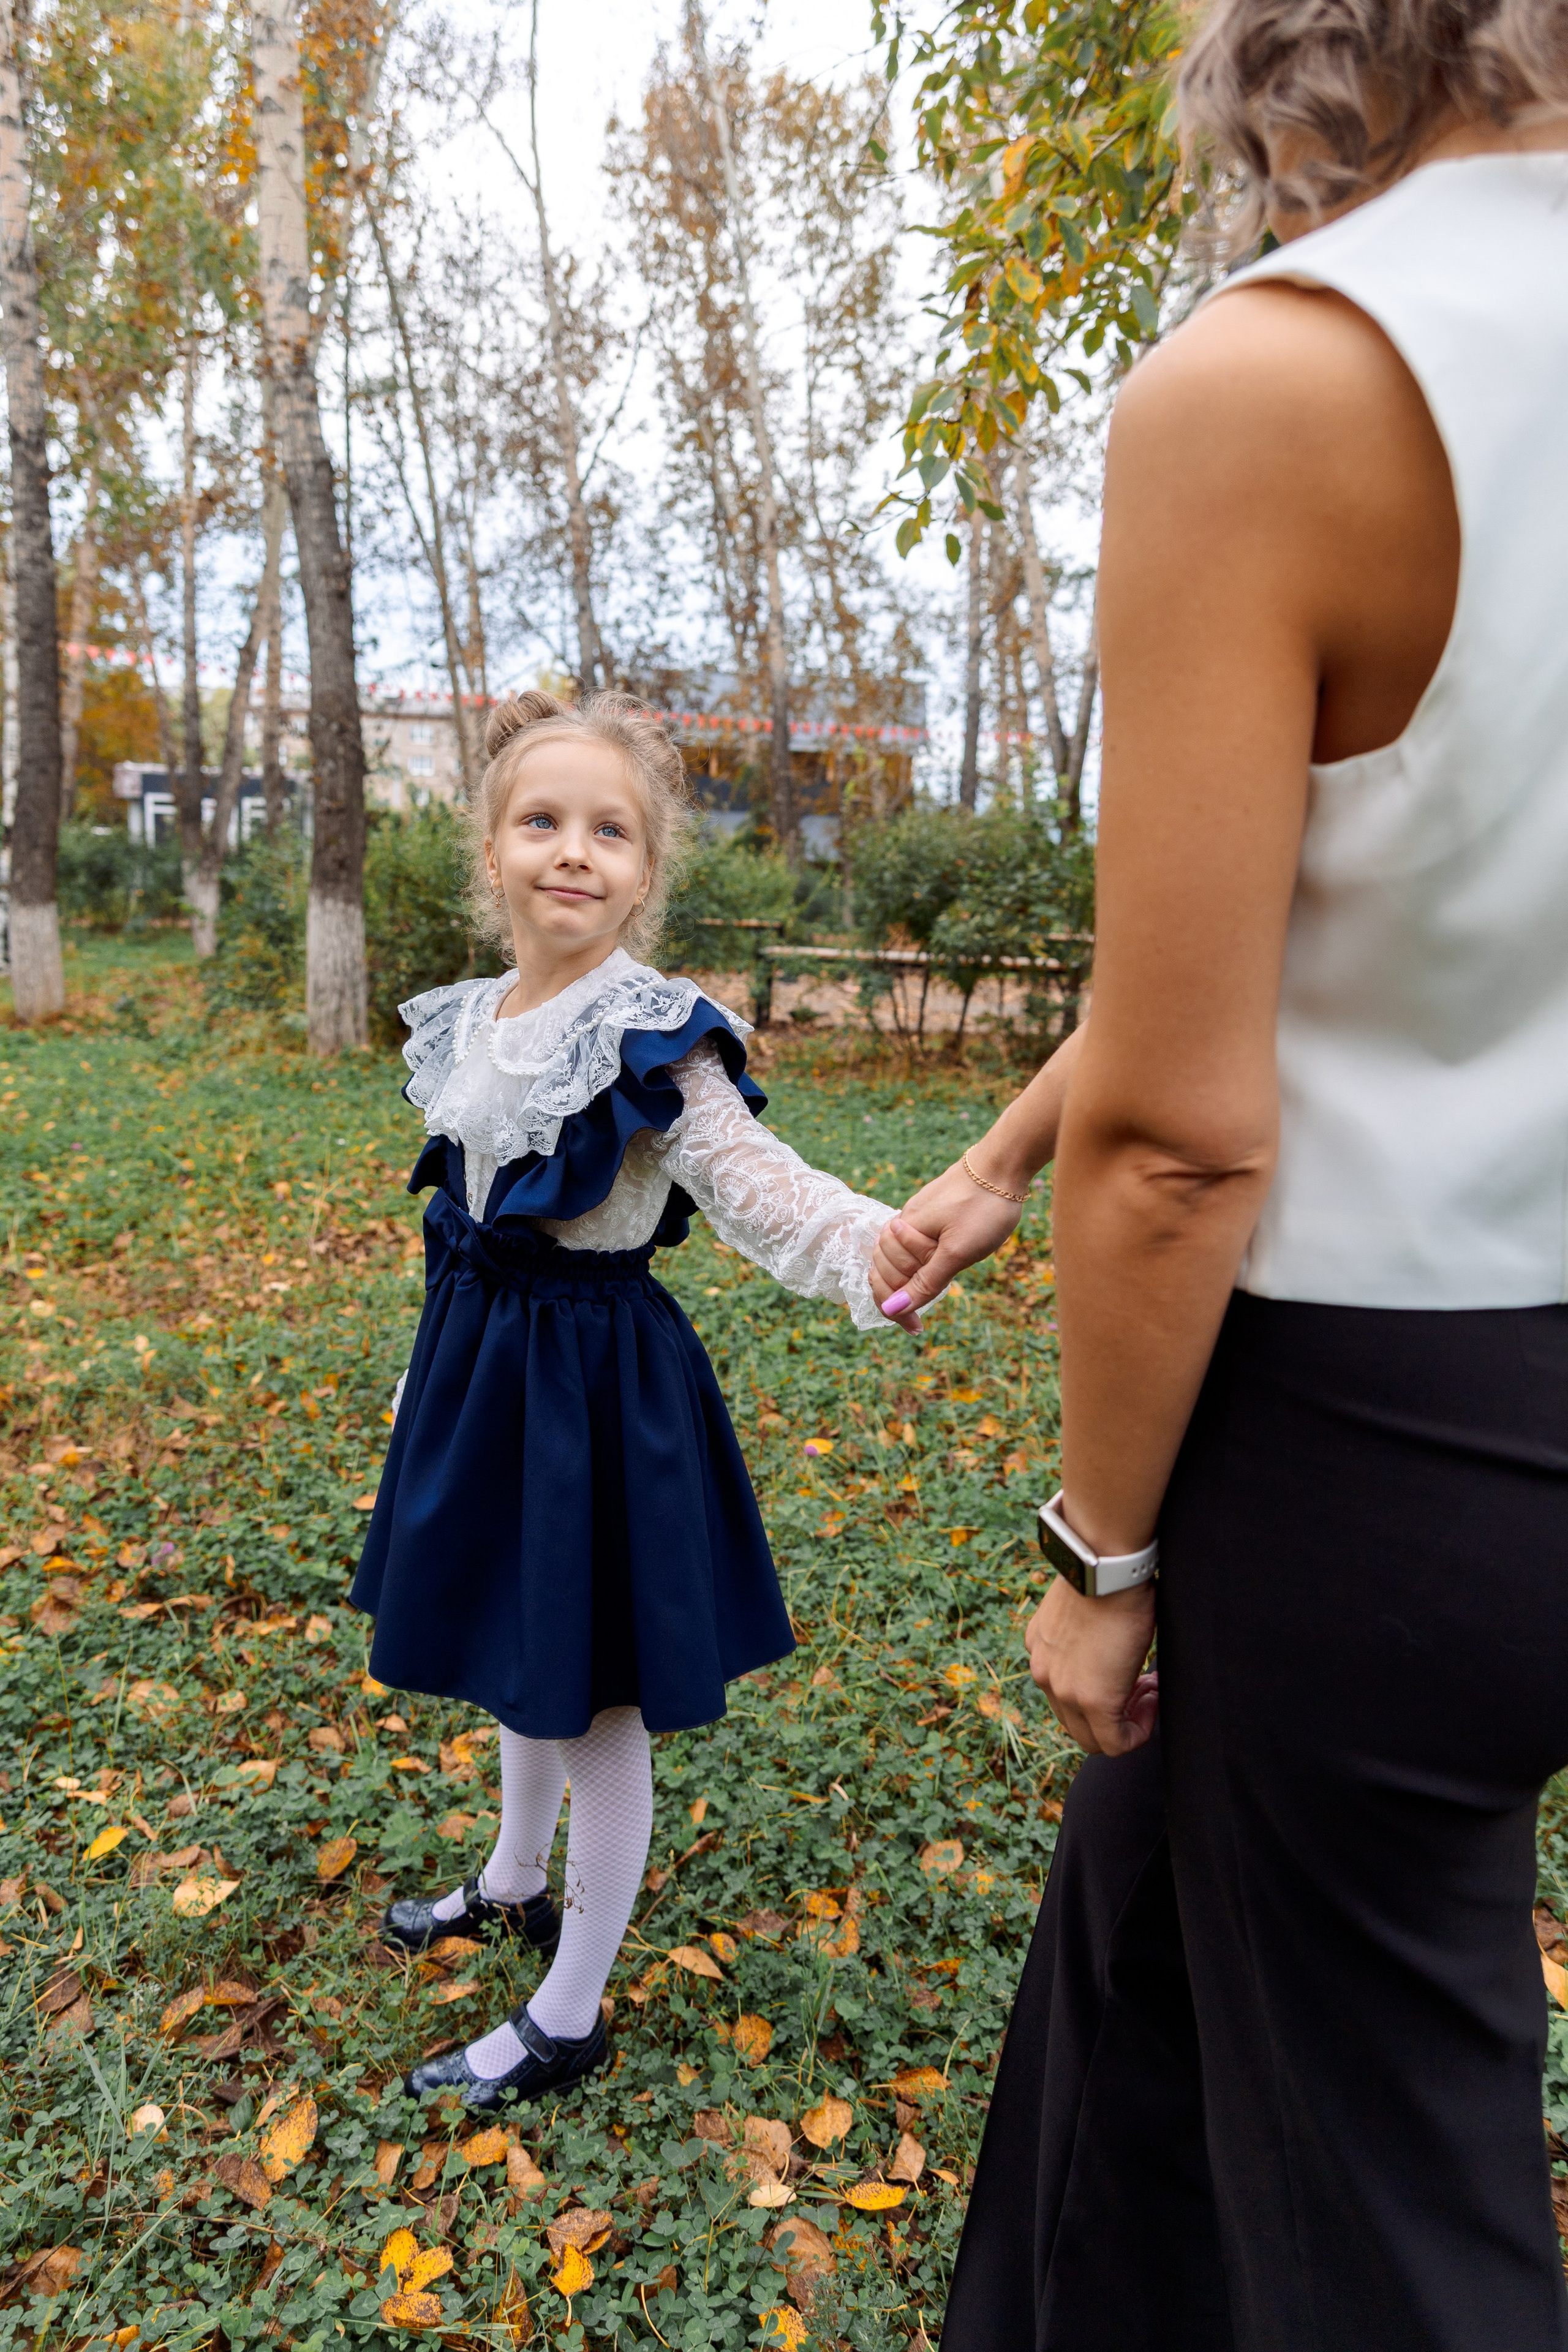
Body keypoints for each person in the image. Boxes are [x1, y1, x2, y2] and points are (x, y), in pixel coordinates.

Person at [871, 3, 1568, 2345]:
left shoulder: (1275, 383)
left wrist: (1100, 1550)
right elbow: (1329, 924)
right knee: (1141, 1999)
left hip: (1376, 1444)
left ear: (1298, 75)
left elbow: (1183, 1137)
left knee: (1395, 2201)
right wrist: (990, 1158)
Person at [353, 688, 914, 2114]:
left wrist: (876, 1242)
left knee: (590, 1692)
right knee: (513, 1650)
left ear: (644, 873)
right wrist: (424, 1397)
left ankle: (568, 2009)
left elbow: (750, 1184)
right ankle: (513, 1879)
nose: (573, 852)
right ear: (490, 854)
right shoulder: (476, 1020)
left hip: (595, 1397)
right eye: (541, 822)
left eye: (610, 831)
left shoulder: (655, 1034)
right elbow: (467, 1219)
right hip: (486, 1381)